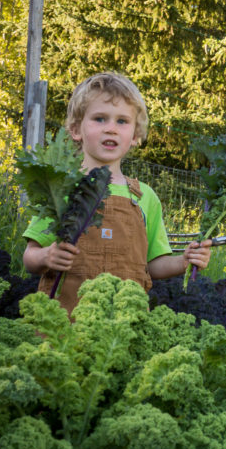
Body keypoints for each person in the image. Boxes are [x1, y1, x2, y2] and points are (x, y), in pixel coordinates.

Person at [22, 72, 212, 315]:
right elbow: (30, 255)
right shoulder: (62, 190)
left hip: (121, 329)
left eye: (122, 121)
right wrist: (47, 256)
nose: (111, 129)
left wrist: (183, 261)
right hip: (61, 324)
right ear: (75, 129)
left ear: (135, 136)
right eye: (100, 119)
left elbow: (153, 265)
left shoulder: (145, 197)